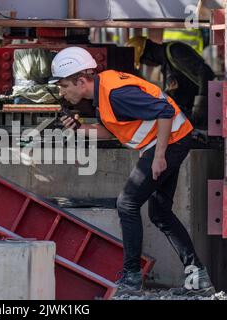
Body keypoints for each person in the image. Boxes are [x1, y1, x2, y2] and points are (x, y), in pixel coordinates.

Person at [49, 47, 215, 296]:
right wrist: (79, 129)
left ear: (81, 80)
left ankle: (131, 278)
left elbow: (165, 111)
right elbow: (112, 131)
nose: (62, 92)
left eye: (63, 86)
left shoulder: (116, 94)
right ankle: (197, 277)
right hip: (173, 141)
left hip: (169, 144)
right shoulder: (104, 91)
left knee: (127, 203)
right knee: (159, 213)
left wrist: (159, 156)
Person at [126, 36, 215, 130]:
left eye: (143, 62)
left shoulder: (175, 50)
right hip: (191, 114)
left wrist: (200, 104)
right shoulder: (166, 63)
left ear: (146, 56)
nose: (147, 65)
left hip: (207, 111)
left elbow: (204, 72)